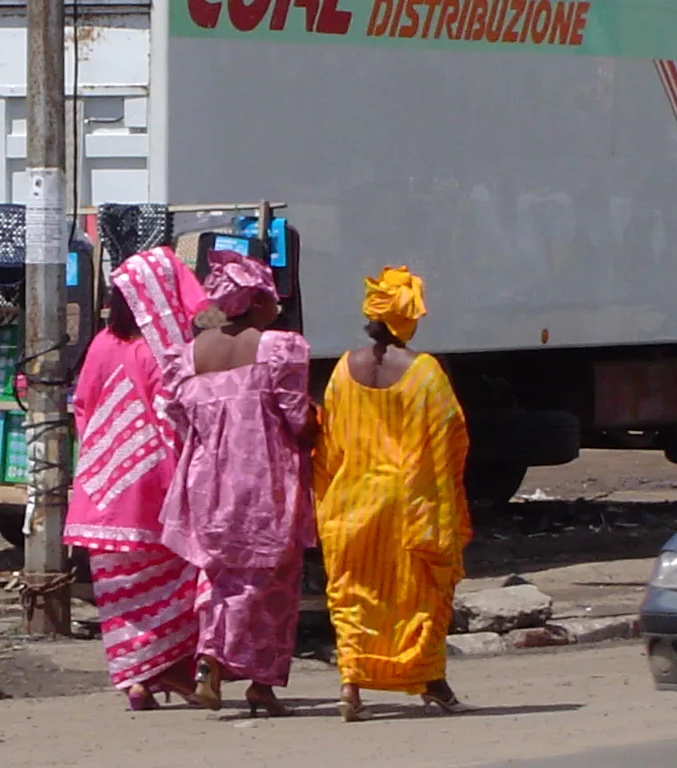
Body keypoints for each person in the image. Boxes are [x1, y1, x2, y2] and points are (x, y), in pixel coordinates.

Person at [159, 249, 317, 718]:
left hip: (207, 484)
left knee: (220, 577)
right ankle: (261, 685)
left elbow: (179, 420)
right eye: (272, 298)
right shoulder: (277, 347)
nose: (278, 308)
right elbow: (297, 418)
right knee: (272, 584)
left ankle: (210, 661)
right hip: (265, 482)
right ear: (256, 301)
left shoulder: (188, 356)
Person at [313, 266, 475, 722]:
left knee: (353, 595)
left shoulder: (343, 371)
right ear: (408, 320)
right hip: (409, 508)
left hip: (350, 503)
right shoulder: (425, 374)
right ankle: (433, 683)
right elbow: (451, 440)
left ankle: (351, 687)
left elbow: (327, 442)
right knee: (419, 597)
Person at [65, 246, 209, 711]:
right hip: (153, 491)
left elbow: (83, 408)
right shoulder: (166, 350)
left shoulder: (102, 344)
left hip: (100, 489)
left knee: (120, 593)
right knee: (178, 581)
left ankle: (135, 679)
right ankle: (167, 667)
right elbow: (176, 419)